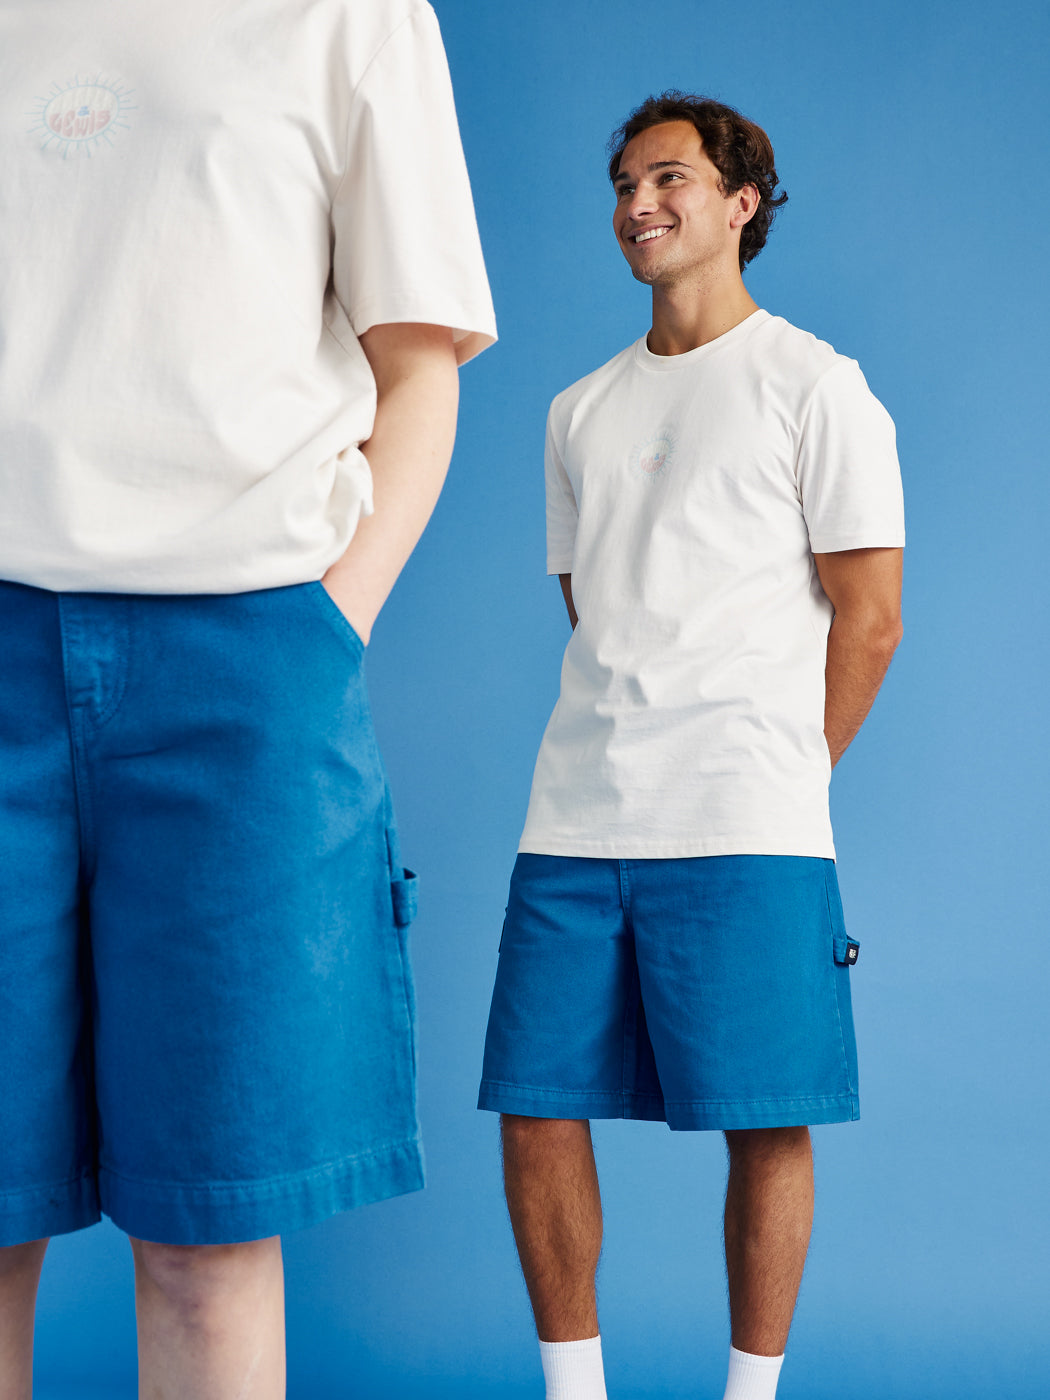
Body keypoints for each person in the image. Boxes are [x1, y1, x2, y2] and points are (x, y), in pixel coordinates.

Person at [0, 1, 494, 1395]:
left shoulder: (351, 17)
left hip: (244, 668)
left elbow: (418, 368)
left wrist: (331, 626)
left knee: (207, 1234)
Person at [478, 91, 903, 1400]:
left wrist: (784, 772)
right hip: (575, 818)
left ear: (740, 202)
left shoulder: (815, 386)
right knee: (535, 1106)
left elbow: (870, 617)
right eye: (622, 184)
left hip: (746, 825)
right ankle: (574, 1390)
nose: (637, 204)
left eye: (667, 178)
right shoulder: (577, 411)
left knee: (766, 1117)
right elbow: (598, 607)